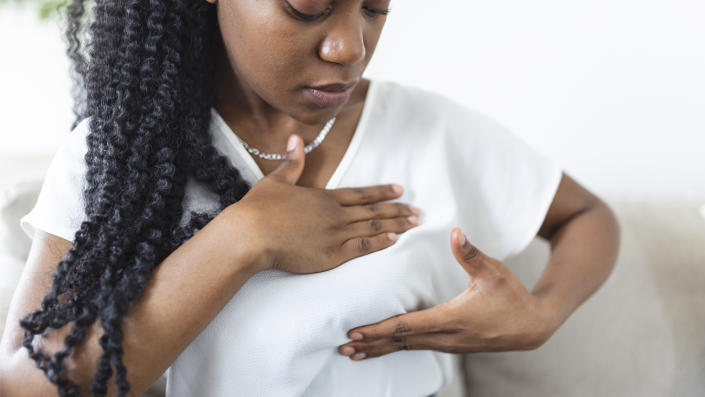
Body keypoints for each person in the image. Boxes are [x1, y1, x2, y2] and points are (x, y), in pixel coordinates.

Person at [0, 0, 621, 396]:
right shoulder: (118, 155)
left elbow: (588, 216)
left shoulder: (428, 130)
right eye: (308, 7)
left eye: (373, 8)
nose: (348, 46)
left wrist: (543, 314)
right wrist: (246, 237)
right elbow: (28, 384)